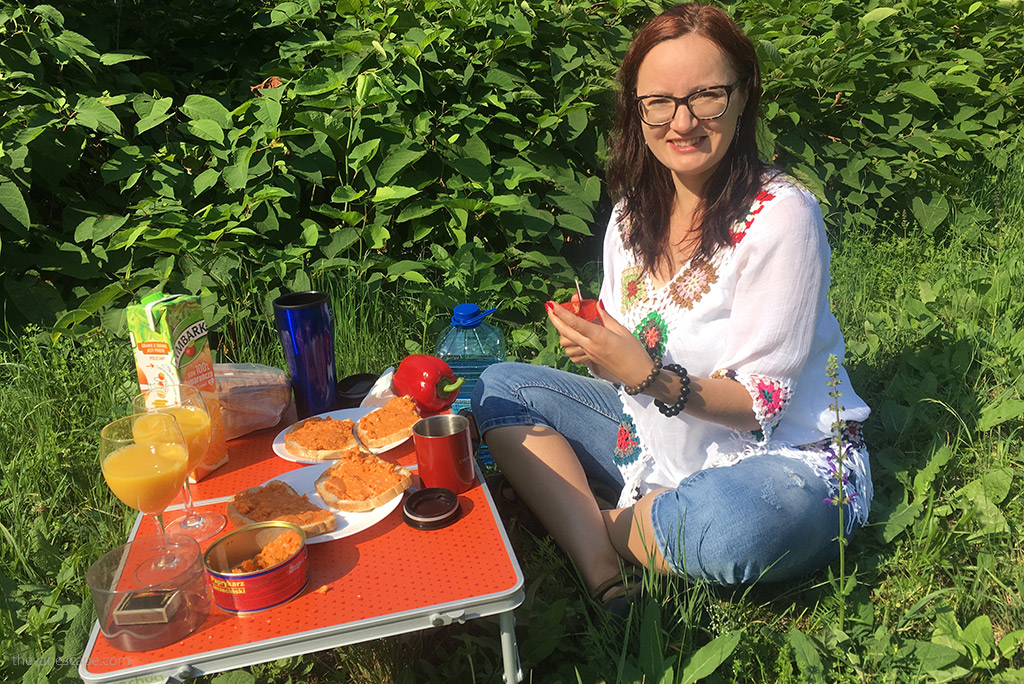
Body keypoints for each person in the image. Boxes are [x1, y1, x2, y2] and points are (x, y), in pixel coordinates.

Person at [470, 2, 871, 614]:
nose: (681, 122)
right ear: (637, 110)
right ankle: (608, 565)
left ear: (742, 98)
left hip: (787, 459)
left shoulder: (781, 215)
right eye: (659, 101)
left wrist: (643, 375)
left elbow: (763, 404)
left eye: (706, 96)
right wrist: (596, 346)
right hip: (660, 440)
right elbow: (622, 347)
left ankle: (592, 521)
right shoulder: (631, 215)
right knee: (501, 388)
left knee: (736, 528)